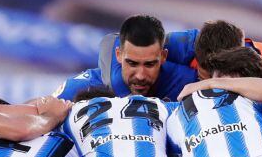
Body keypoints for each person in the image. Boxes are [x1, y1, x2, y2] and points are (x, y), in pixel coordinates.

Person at [54, 15, 195, 102]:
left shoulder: (186, 81)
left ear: (163, 56)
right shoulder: (82, 88)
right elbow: (41, 114)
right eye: (132, 63)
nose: (140, 76)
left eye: (149, 64)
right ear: (118, 55)